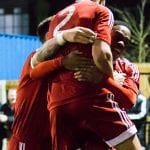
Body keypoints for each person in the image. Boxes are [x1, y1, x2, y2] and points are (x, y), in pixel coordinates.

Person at [31, 0, 141, 149]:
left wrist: (104, 80)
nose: (121, 44)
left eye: (126, 42)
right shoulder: (99, 12)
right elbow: (102, 54)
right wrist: (107, 79)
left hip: (58, 105)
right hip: (90, 100)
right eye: (118, 36)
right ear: (105, 32)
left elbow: (129, 101)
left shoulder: (128, 67)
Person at [7, 16, 97, 150]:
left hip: (53, 142)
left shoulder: (70, 63)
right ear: (49, 35)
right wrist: (63, 38)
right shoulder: (35, 57)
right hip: (28, 142)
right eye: (63, 28)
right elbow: (44, 54)